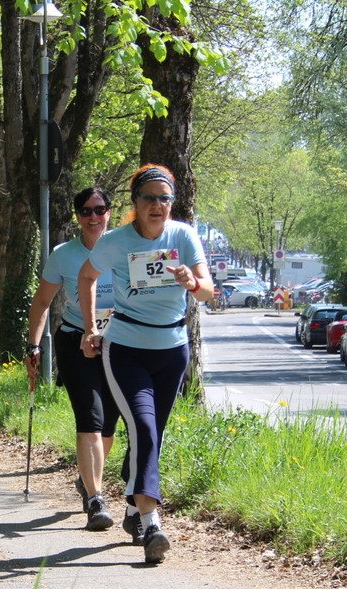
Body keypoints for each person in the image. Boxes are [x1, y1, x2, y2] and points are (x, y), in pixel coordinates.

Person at [78, 164, 214, 564]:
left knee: (153, 435)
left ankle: (133, 509)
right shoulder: (116, 241)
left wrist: (191, 281)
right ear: (135, 204)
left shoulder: (184, 235)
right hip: (126, 348)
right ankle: (152, 523)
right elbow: (87, 277)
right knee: (144, 428)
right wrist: (90, 328)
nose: (157, 206)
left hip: (172, 348)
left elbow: (207, 292)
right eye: (149, 198)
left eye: (165, 198)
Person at [25, 188, 120, 531]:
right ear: (77, 216)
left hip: (119, 342)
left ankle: (86, 477)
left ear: (110, 211)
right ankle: (96, 499)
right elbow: (41, 303)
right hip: (75, 341)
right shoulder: (64, 254)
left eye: (99, 210)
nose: (93, 217)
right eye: (85, 211)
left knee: (109, 423)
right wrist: (33, 346)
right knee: (90, 417)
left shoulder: (125, 248)